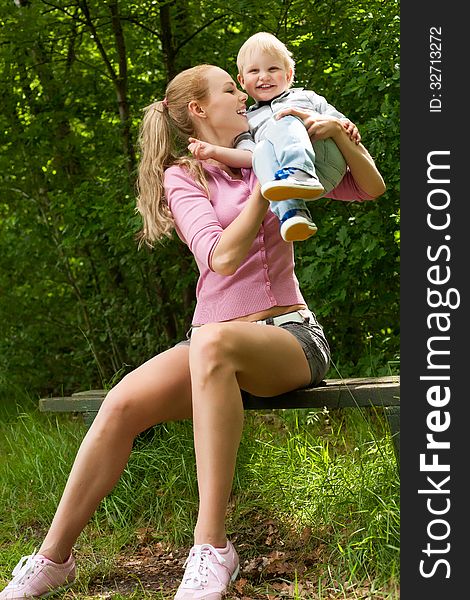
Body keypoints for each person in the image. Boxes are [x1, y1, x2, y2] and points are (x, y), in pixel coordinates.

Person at [0, 63, 385, 600]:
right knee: (121, 402)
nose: (244, 93)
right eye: (230, 89)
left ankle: (211, 546)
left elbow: (369, 189)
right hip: (211, 345)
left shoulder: (276, 141)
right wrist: (266, 192)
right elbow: (218, 257)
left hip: (288, 336)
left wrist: (343, 139)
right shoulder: (184, 176)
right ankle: (51, 558)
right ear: (199, 112)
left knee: (210, 344)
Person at [188, 32, 360, 243]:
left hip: (325, 160)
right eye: (254, 71)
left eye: (273, 69)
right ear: (242, 80)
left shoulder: (305, 97)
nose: (263, 76)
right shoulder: (247, 121)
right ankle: (293, 214)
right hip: (295, 184)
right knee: (261, 151)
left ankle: (300, 171)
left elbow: (338, 121)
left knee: (287, 119)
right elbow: (249, 157)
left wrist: (346, 126)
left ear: (288, 75)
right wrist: (214, 152)